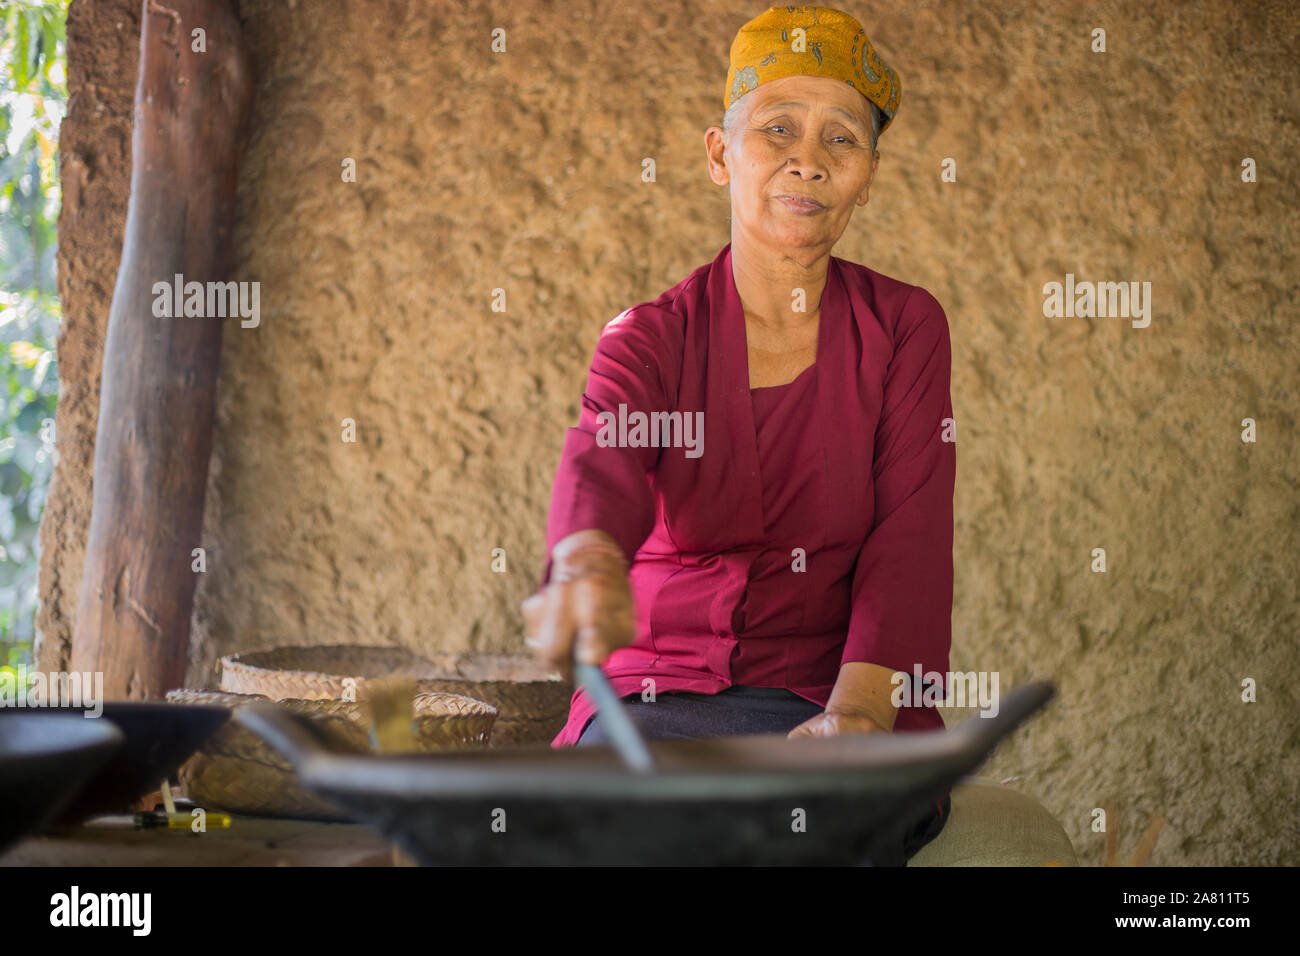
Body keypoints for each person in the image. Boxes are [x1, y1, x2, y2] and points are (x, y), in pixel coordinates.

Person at [522, 5, 955, 865]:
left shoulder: (905, 327)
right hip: (652, 702)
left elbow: (910, 538)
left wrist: (861, 716)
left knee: (825, 831)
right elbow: (601, 458)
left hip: (831, 696)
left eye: (843, 139)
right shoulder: (653, 337)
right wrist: (587, 559)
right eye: (779, 129)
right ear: (720, 155)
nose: (809, 159)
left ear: (868, 174)